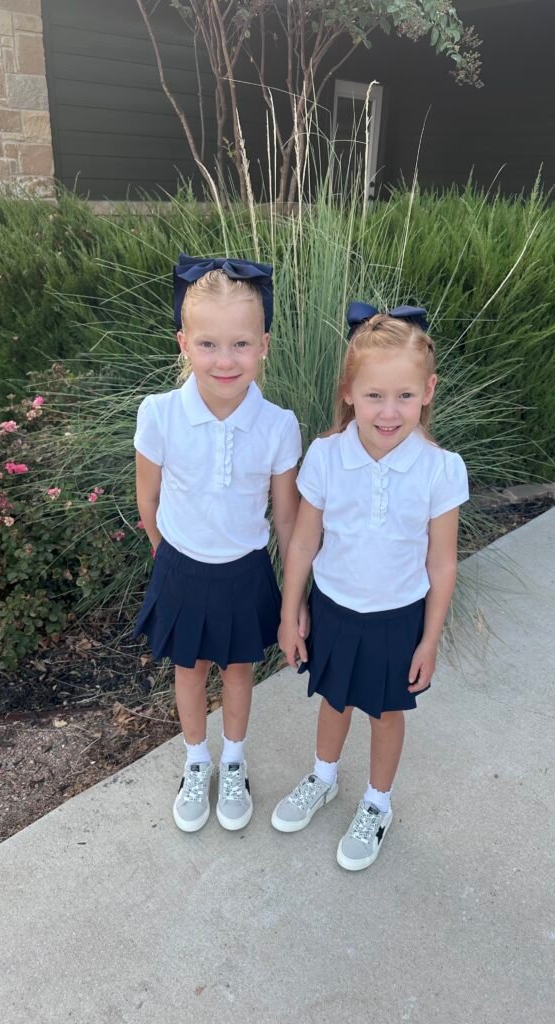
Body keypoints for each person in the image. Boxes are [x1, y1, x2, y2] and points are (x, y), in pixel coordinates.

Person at [271, 302, 468, 870]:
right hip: (334, 607)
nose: (389, 411)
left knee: (384, 711)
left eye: (404, 395)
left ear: (428, 391)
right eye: (374, 395)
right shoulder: (327, 456)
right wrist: (291, 611)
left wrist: (429, 640)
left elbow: (442, 564)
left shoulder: (440, 469)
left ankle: (378, 803)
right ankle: (323, 776)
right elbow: (303, 542)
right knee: (334, 698)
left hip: (397, 616)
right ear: (348, 392)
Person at [134, 254, 301, 834]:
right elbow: (148, 499)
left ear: (264, 345)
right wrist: (167, 554)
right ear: (183, 343)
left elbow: (287, 520)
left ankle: (233, 761)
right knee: (189, 669)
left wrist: (294, 601)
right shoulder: (159, 415)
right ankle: (196, 760)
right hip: (180, 567)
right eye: (208, 344)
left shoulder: (278, 425)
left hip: (245, 569)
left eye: (240, 344)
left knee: (237, 671)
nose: (225, 360)